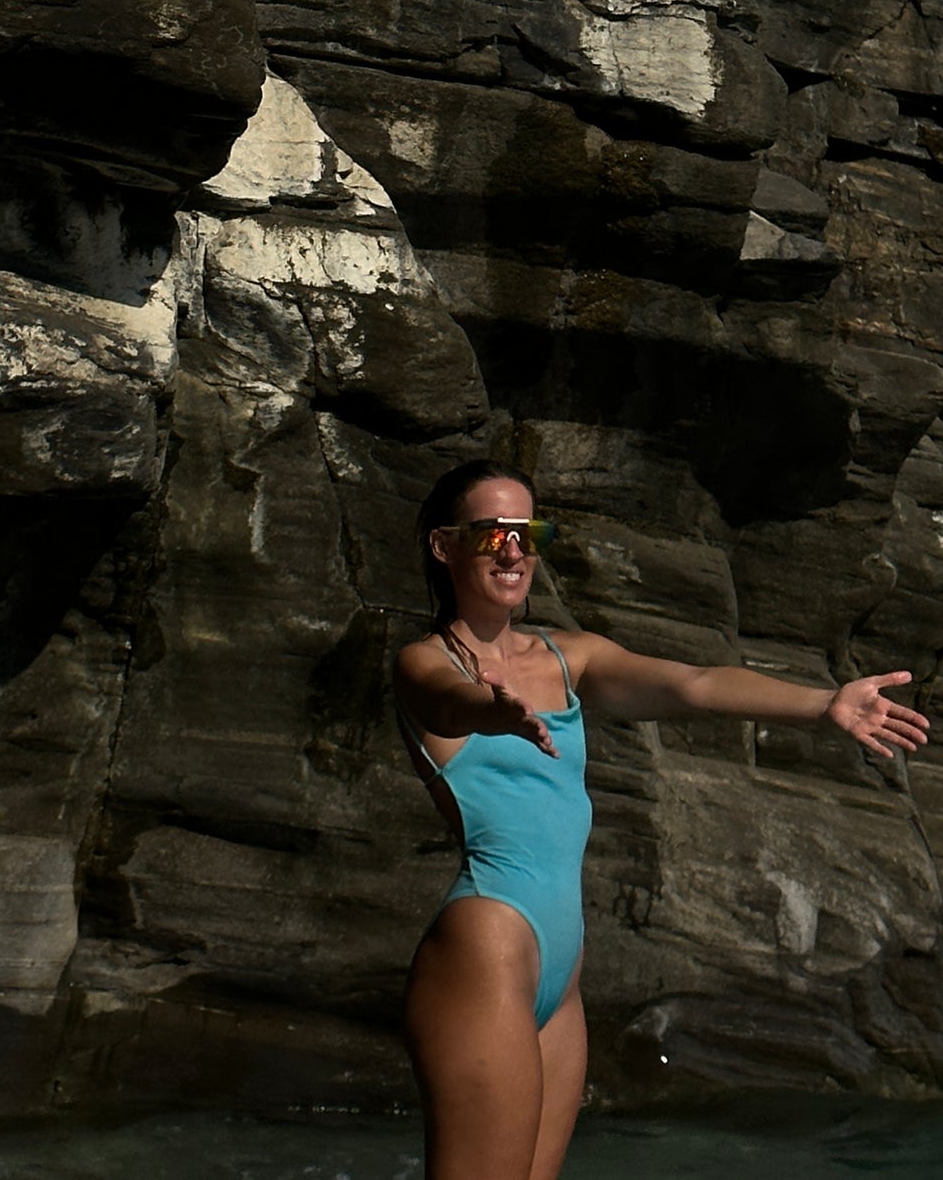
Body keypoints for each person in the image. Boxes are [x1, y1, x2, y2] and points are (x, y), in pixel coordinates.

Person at [392, 459, 931, 1180]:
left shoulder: (566, 653)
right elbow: (439, 701)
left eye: (527, 532)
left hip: (561, 965)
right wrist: (489, 709)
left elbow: (693, 683)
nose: (514, 550)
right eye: (493, 534)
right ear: (444, 546)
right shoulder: (424, 661)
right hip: (488, 940)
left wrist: (823, 704)